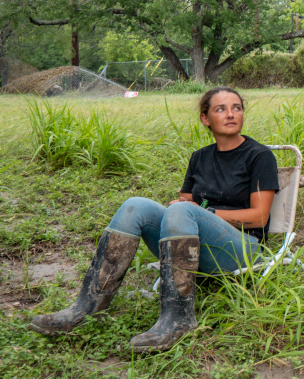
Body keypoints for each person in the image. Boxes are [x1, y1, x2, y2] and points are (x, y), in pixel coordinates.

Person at [30, 87, 279, 352]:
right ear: (205, 118)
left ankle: (178, 319)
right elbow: (184, 204)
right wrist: (185, 209)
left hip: (243, 249)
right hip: (196, 247)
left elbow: (259, 217)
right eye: (221, 109)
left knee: (182, 210)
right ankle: (87, 306)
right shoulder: (200, 157)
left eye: (237, 108)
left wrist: (203, 213)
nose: (231, 114)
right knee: (135, 205)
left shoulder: (259, 156)